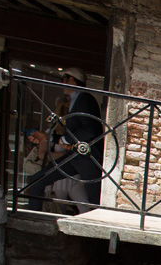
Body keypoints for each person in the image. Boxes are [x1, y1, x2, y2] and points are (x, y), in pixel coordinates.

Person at [25, 67, 104, 211]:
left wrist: (62, 140)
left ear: (72, 80)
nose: (61, 83)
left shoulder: (85, 99)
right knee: (36, 181)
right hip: (76, 157)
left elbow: (89, 129)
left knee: (94, 201)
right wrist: (47, 137)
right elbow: (73, 134)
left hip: (87, 158)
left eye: (64, 79)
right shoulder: (76, 100)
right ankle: (33, 217)